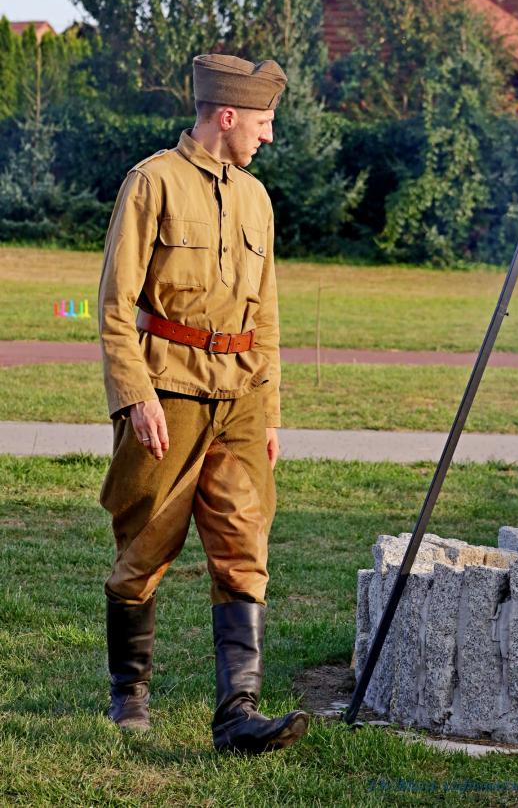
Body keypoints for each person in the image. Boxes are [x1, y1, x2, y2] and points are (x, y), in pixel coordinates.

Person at [97, 54, 308, 754]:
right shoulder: (151, 183)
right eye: (263, 121)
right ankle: (129, 695)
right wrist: (136, 395)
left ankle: (237, 716)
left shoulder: (257, 199)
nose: (268, 135)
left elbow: (266, 313)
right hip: (170, 392)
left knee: (245, 546)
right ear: (227, 116)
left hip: (242, 397)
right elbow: (114, 306)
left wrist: (270, 410)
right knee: (145, 548)